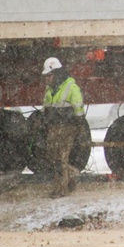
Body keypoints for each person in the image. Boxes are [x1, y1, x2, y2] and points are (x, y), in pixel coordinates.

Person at [41, 57, 85, 197]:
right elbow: (46, 107)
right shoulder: (50, 89)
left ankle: (61, 189)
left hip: (67, 127)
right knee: (52, 157)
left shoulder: (71, 87)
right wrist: (43, 120)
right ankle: (72, 175)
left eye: (49, 75)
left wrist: (78, 124)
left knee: (61, 158)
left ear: (57, 74)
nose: (47, 79)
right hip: (54, 127)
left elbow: (78, 107)